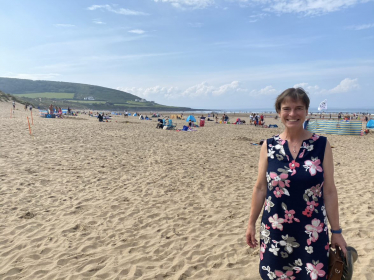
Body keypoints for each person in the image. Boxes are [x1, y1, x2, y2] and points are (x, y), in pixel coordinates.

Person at [245, 87, 347, 279]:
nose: (292, 114)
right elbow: (260, 188)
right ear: (279, 112)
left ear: (307, 111)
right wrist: (251, 224)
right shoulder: (269, 145)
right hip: (275, 230)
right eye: (286, 108)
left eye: (299, 108)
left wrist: (336, 231)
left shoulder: (321, 145)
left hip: (312, 231)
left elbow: (330, 191)